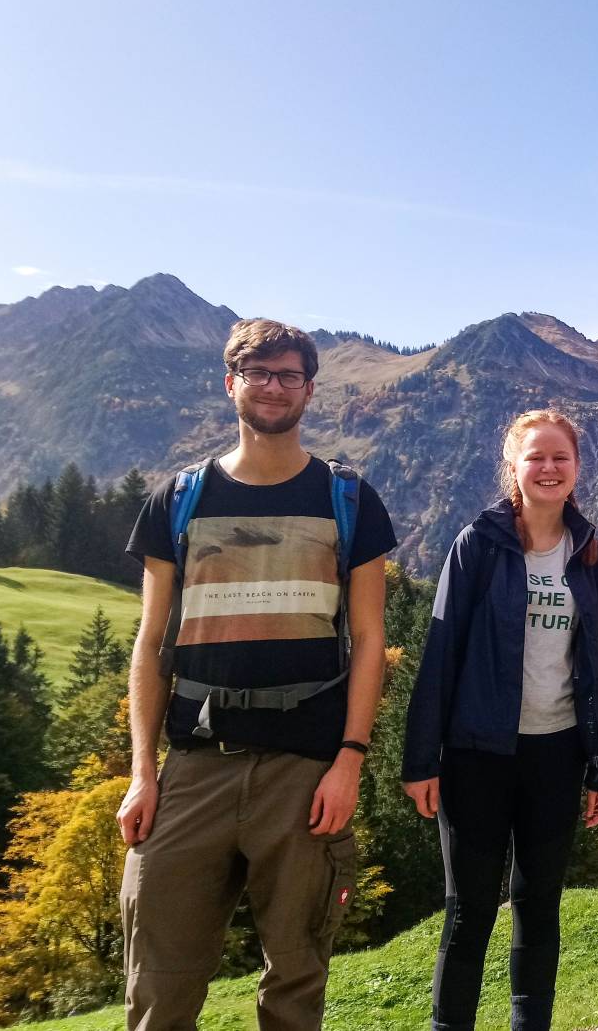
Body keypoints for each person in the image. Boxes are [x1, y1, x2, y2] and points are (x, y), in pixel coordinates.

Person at [118, 318, 396, 1030]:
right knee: (160, 985)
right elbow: (152, 641)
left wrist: (349, 760)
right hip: (194, 765)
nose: (274, 387)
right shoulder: (180, 498)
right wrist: (142, 771)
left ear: (309, 388)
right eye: (259, 373)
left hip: (304, 770)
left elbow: (369, 640)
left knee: (296, 982)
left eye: (289, 375)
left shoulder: (350, 500)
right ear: (231, 382)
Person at [402, 409, 598, 1030]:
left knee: (538, 903)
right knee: (469, 908)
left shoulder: (589, 552)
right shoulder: (479, 545)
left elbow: (597, 666)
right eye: (536, 458)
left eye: (560, 458)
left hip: (557, 754)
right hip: (476, 754)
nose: (548, 468)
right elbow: (440, 653)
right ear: (514, 468)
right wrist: (422, 759)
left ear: (576, 468)